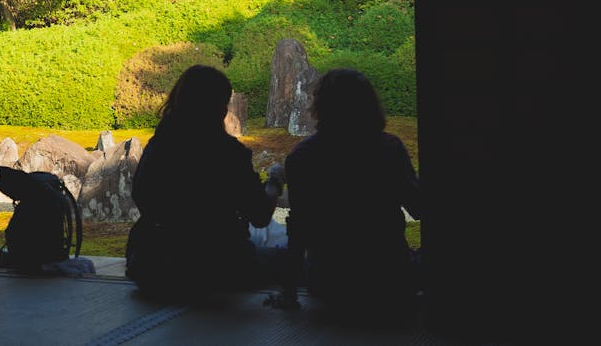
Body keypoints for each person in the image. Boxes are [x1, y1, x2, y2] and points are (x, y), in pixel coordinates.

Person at [274, 68, 422, 321]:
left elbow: (299, 228)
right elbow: (419, 207)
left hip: (328, 279)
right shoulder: (389, 148)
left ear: (320, 106)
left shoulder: (303, 156)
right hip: (389, 275)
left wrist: (289, 294)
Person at [124, 64, 282, 299]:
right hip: (217, 265)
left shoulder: (160, 146)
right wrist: (274, 181)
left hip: (151, 263)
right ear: (219, 106)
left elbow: (142, 196)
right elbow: (259, 216)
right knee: (288, 258)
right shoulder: (228, 154)